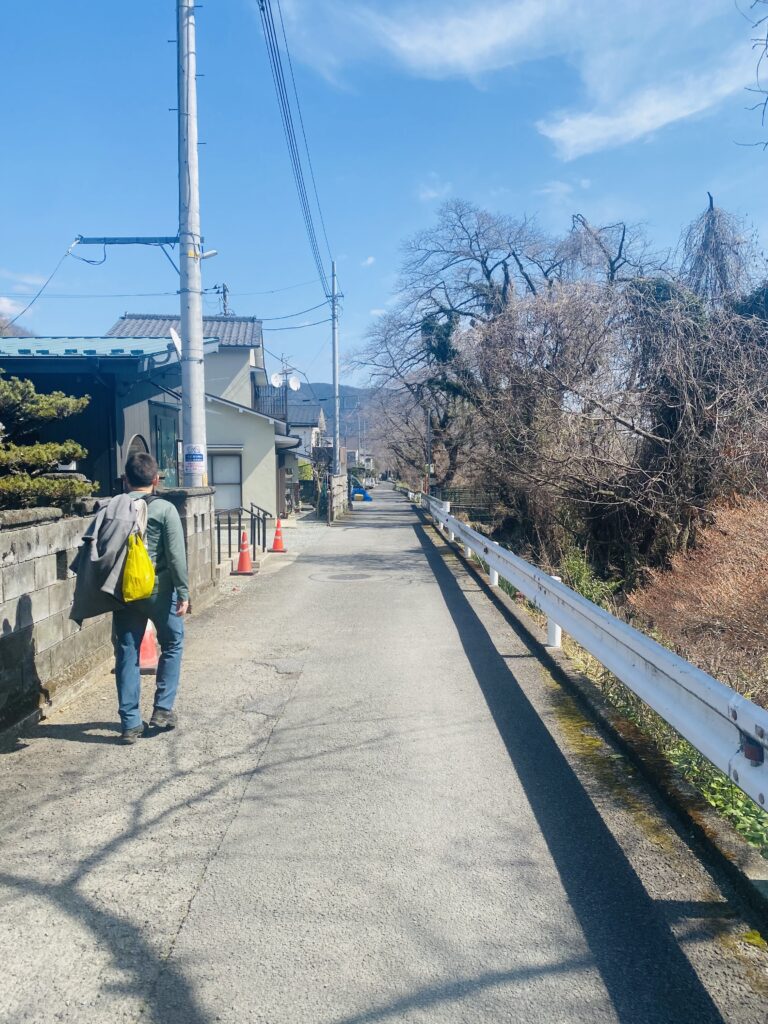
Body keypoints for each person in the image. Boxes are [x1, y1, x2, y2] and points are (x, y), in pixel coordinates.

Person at [114, 452, 190, 744]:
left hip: (124, 592)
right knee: (172, 642)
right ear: (156, 480)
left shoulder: (113, 507)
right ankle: (162, 709)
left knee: (127, 652)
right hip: (160, 589)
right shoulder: (165, 509)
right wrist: (183, 591)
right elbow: (176, 555)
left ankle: (130, 724)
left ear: (125, 480)